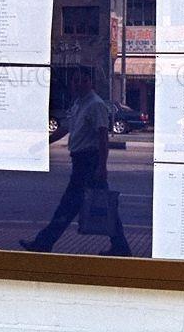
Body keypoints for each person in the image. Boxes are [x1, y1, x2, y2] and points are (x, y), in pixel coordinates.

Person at [20, 67, 131, 256]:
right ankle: (120, 247)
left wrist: (101, 166)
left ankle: (44, 243)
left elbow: (103, 137)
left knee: (71, 205)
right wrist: (41, 144)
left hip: (89, 163)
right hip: (81, 162)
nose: (77, 84)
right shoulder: (79, 103)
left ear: (90, 82)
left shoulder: (95, 104)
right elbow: (65, 127)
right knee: (102, 206)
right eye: (75, 80)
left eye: (82, 80)